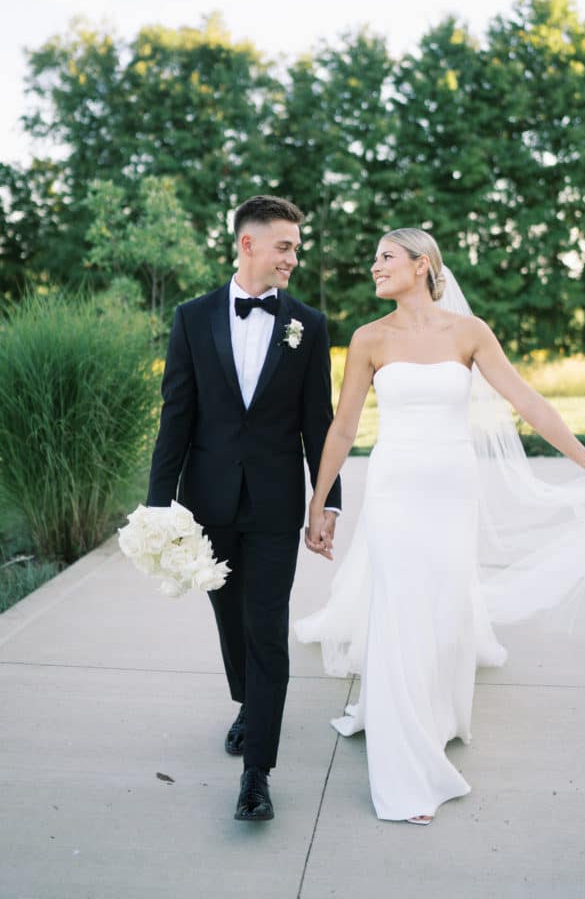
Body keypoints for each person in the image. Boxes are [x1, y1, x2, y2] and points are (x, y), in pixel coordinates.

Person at [297, 227, 585, 825]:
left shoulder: (469, 333)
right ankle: (406, 768)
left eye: (386, 257)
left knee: (443, 609)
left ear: (422, 265)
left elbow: (528, 402)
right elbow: (343, 428)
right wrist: (319, 502)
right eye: (374, 258)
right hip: (395, 489)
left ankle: (436, 717)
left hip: (452, 490)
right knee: (399, 612)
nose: (374, 267)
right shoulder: (369, 338)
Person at [146, 195, 342, 822]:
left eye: (297, 248)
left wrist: (327, 503)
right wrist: (158, 507)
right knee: (230, 619)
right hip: (209, 504)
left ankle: (257, 774)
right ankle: (247, 703)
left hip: (276, 505)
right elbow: (177, 416)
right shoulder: (192, 318)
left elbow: (319, 422)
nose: (294, 258)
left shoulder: (308, 324)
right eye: (285, 246)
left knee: (266, 627)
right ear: (248, 243)